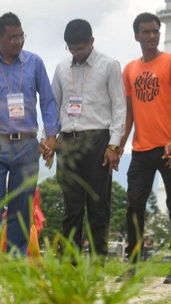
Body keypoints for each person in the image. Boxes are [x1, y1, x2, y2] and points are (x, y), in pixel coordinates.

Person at [0, 12, 60, 255]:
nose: (18, 42)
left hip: (26, 144)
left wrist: (51, 135)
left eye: (21, 36)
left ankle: (16, 256)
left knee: (22, 204)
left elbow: (47, 101)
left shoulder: (34, 63)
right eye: (12, 37)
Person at [118, 12, 171, 283]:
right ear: (136, 35)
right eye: (145, 32)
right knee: (134, 206)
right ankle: (133, 266)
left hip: (170, 147)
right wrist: (119, 146)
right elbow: (129, 112)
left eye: (155, 31)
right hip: (141, 149)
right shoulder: (130, 69)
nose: (151, 36)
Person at [51, 19, 125, 258]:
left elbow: (119, 107)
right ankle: (69, 261)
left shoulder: (110, 65)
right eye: (71, 49)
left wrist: (114, 144)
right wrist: (49, 139)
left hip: (98, 141)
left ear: (92, 41)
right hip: (68, 140)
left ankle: (98, 261)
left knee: (98, 204)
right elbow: (54, 107)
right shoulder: (62, 68)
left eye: (81, 48)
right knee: (71, 205)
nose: (77, 53)